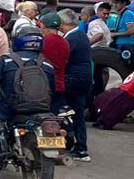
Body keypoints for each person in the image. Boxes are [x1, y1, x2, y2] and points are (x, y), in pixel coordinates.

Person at [0, 29, 50, 154]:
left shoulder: (7, 60)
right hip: (42, 109)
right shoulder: (47, 63)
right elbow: (52, 88)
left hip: (11, 108)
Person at [60, 11, 94, 160]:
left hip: (73, 80)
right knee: (77, 114)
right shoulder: (80, 35)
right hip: (83, 79)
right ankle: (79, 146)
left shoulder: (72, 38)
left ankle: (75, 145)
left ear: (63, 23)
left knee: (61, 110)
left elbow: (62, 60)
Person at [39, 10, 70, 110]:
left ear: (44, 26)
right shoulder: (65, 42)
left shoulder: (44, 42)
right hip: (60, 84)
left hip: (45, 84)